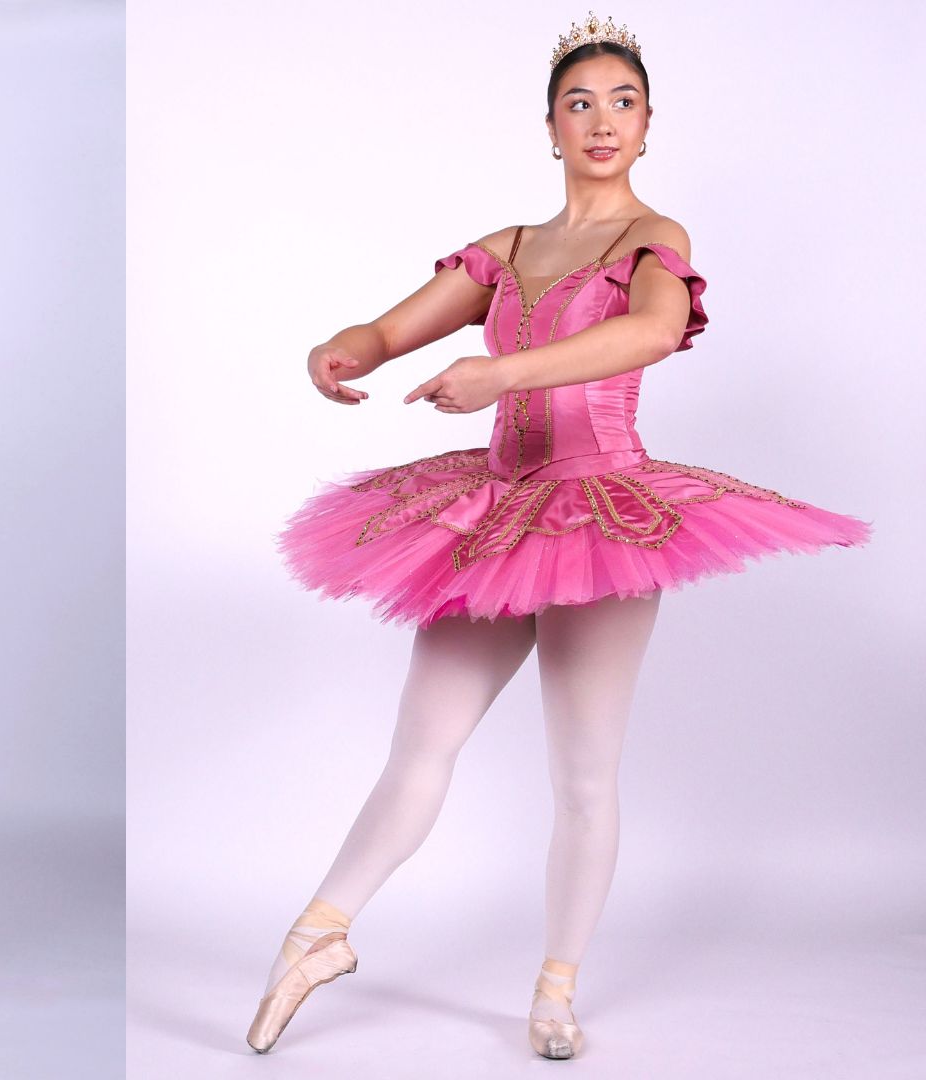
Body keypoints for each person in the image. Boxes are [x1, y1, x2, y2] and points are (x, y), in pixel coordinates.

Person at [246, 11, 870, 1061]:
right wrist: (339, 346)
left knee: (583, 772)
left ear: (647, 125)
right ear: (548, 126)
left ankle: (554, 986)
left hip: (601, 514)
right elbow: (392, 328)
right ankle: (318, 933)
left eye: (621, 102)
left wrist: (497, 373)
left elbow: (653, 331)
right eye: (579, 102)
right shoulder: (509, 248)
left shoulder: (651, 240)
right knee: (421, 748)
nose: (601, 120)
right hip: (494, 508)